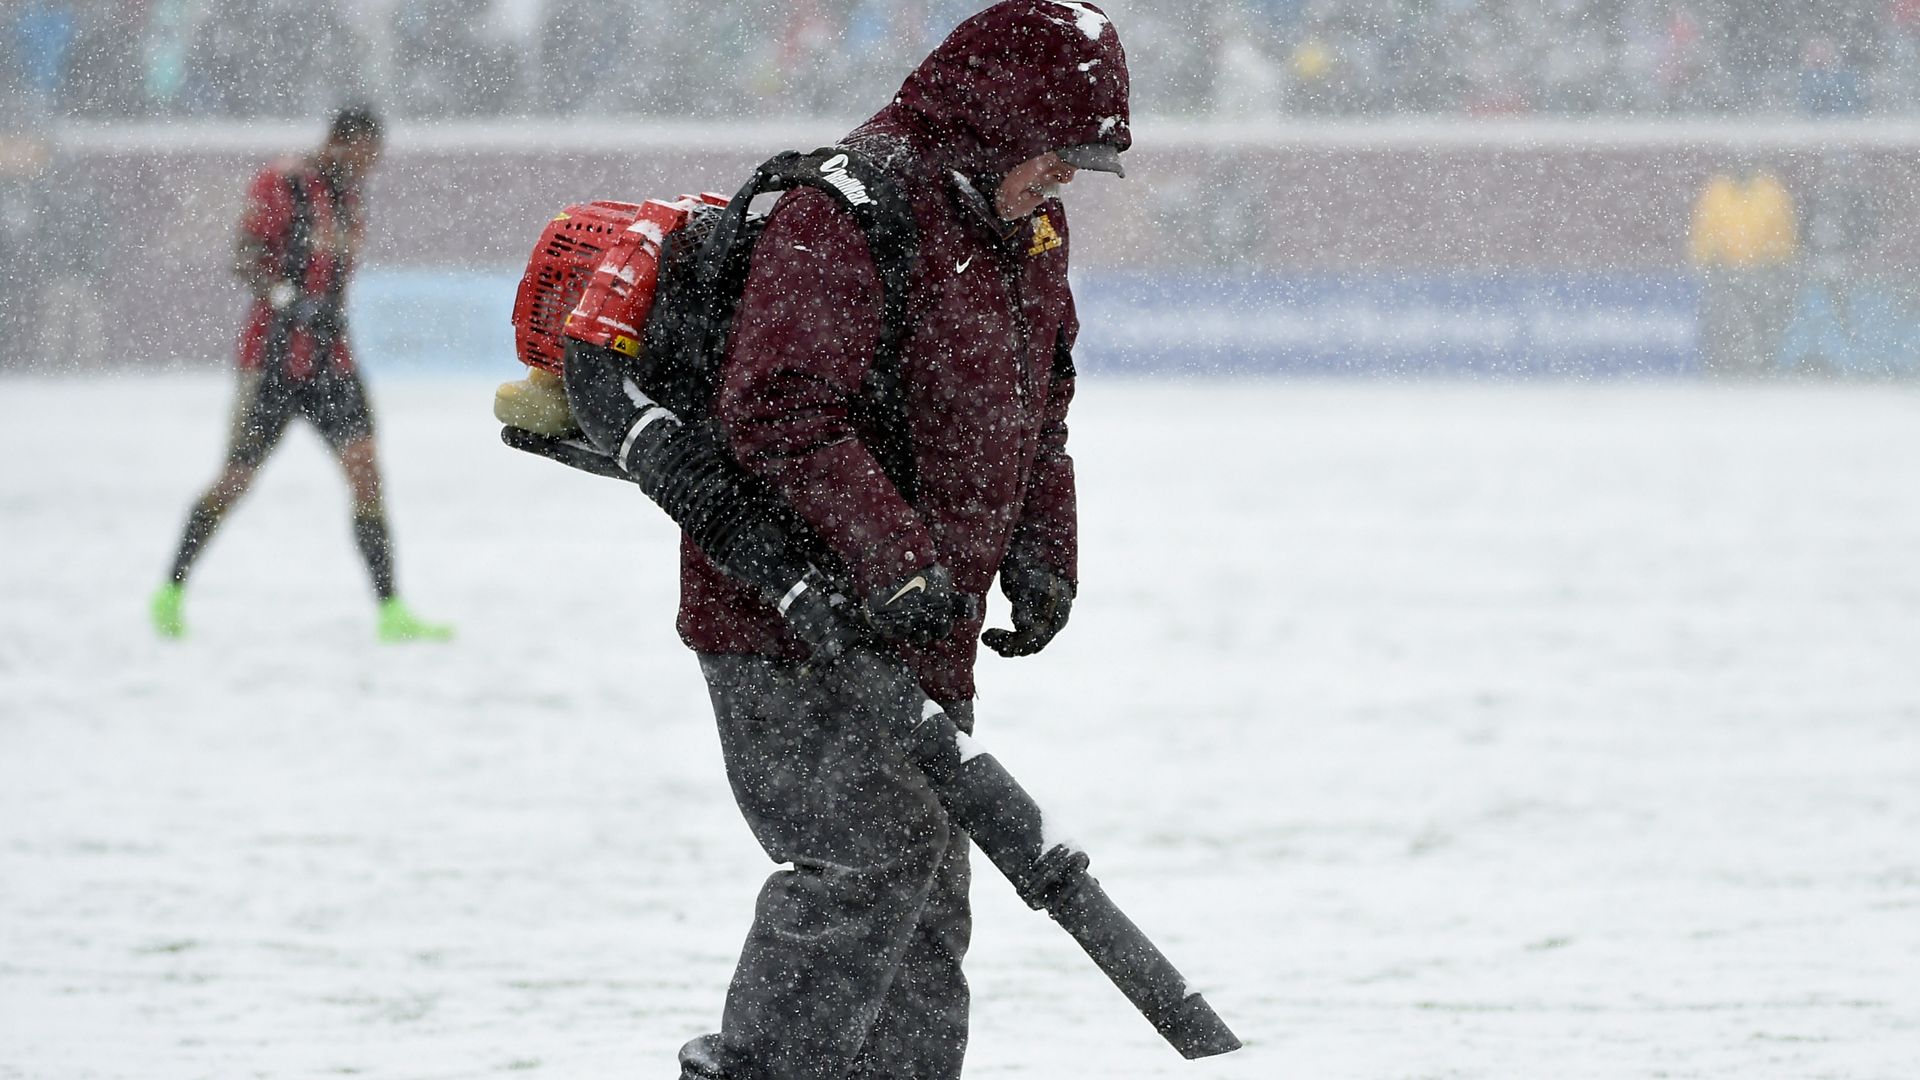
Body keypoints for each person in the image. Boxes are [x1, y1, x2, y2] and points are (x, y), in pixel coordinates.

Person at [671, 3, 1128, 1079]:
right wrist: (891, 557)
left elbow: (1038, 412)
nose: (1062, 181)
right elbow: (780, 407)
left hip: (922, 618)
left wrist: (1043, 552)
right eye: (1055, 157)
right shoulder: (848, 208)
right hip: (786, 612)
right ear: (995, 124)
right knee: (863, 868)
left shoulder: (1026, 233)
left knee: (923, 906)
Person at [150, 105, 451, 642]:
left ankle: (391, 611)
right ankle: (170, 590)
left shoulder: (348, 198)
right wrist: (289, 299)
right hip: (272, 361)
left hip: (332, 361)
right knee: (235, 480)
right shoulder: (283, 183)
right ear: (339, 142)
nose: (367, 170)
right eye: (363, 157)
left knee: (366, 472)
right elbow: (244, 257)